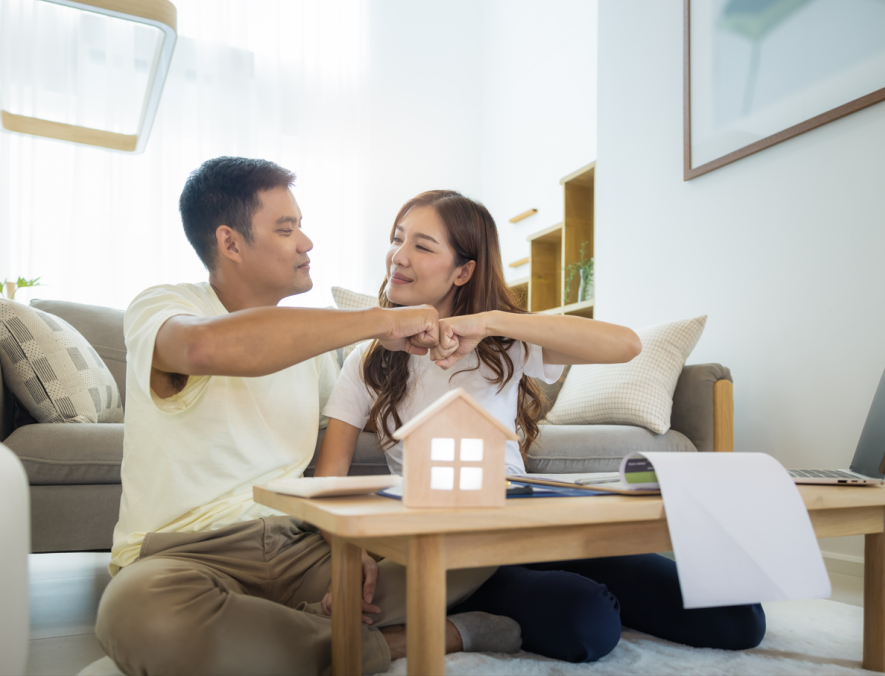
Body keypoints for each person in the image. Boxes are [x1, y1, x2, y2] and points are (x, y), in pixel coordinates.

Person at [94, 158, 516, 676]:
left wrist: (348, 541)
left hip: (300, 548)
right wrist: (381, 320)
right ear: (230, 243)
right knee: (138, 613)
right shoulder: (165, 305)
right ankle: (402, 642)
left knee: (470, 546)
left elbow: (344, 453)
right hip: (186, 556)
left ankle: (280, 634)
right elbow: (204, 348)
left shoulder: (316, 354)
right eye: (286, 228)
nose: (307, 242)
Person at [314, 189, 767, 662]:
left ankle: (508, 607)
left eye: (422, 246)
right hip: (458, 550)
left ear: (463, 271)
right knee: (589, 621)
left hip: (531, 522)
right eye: (397, 239)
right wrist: (353, 555)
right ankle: (459, 627)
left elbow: (625, 345)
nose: (398, 257)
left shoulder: (503, 343)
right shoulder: (368, 362)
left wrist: (489, 323)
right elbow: (328, 476)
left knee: (738, 618)